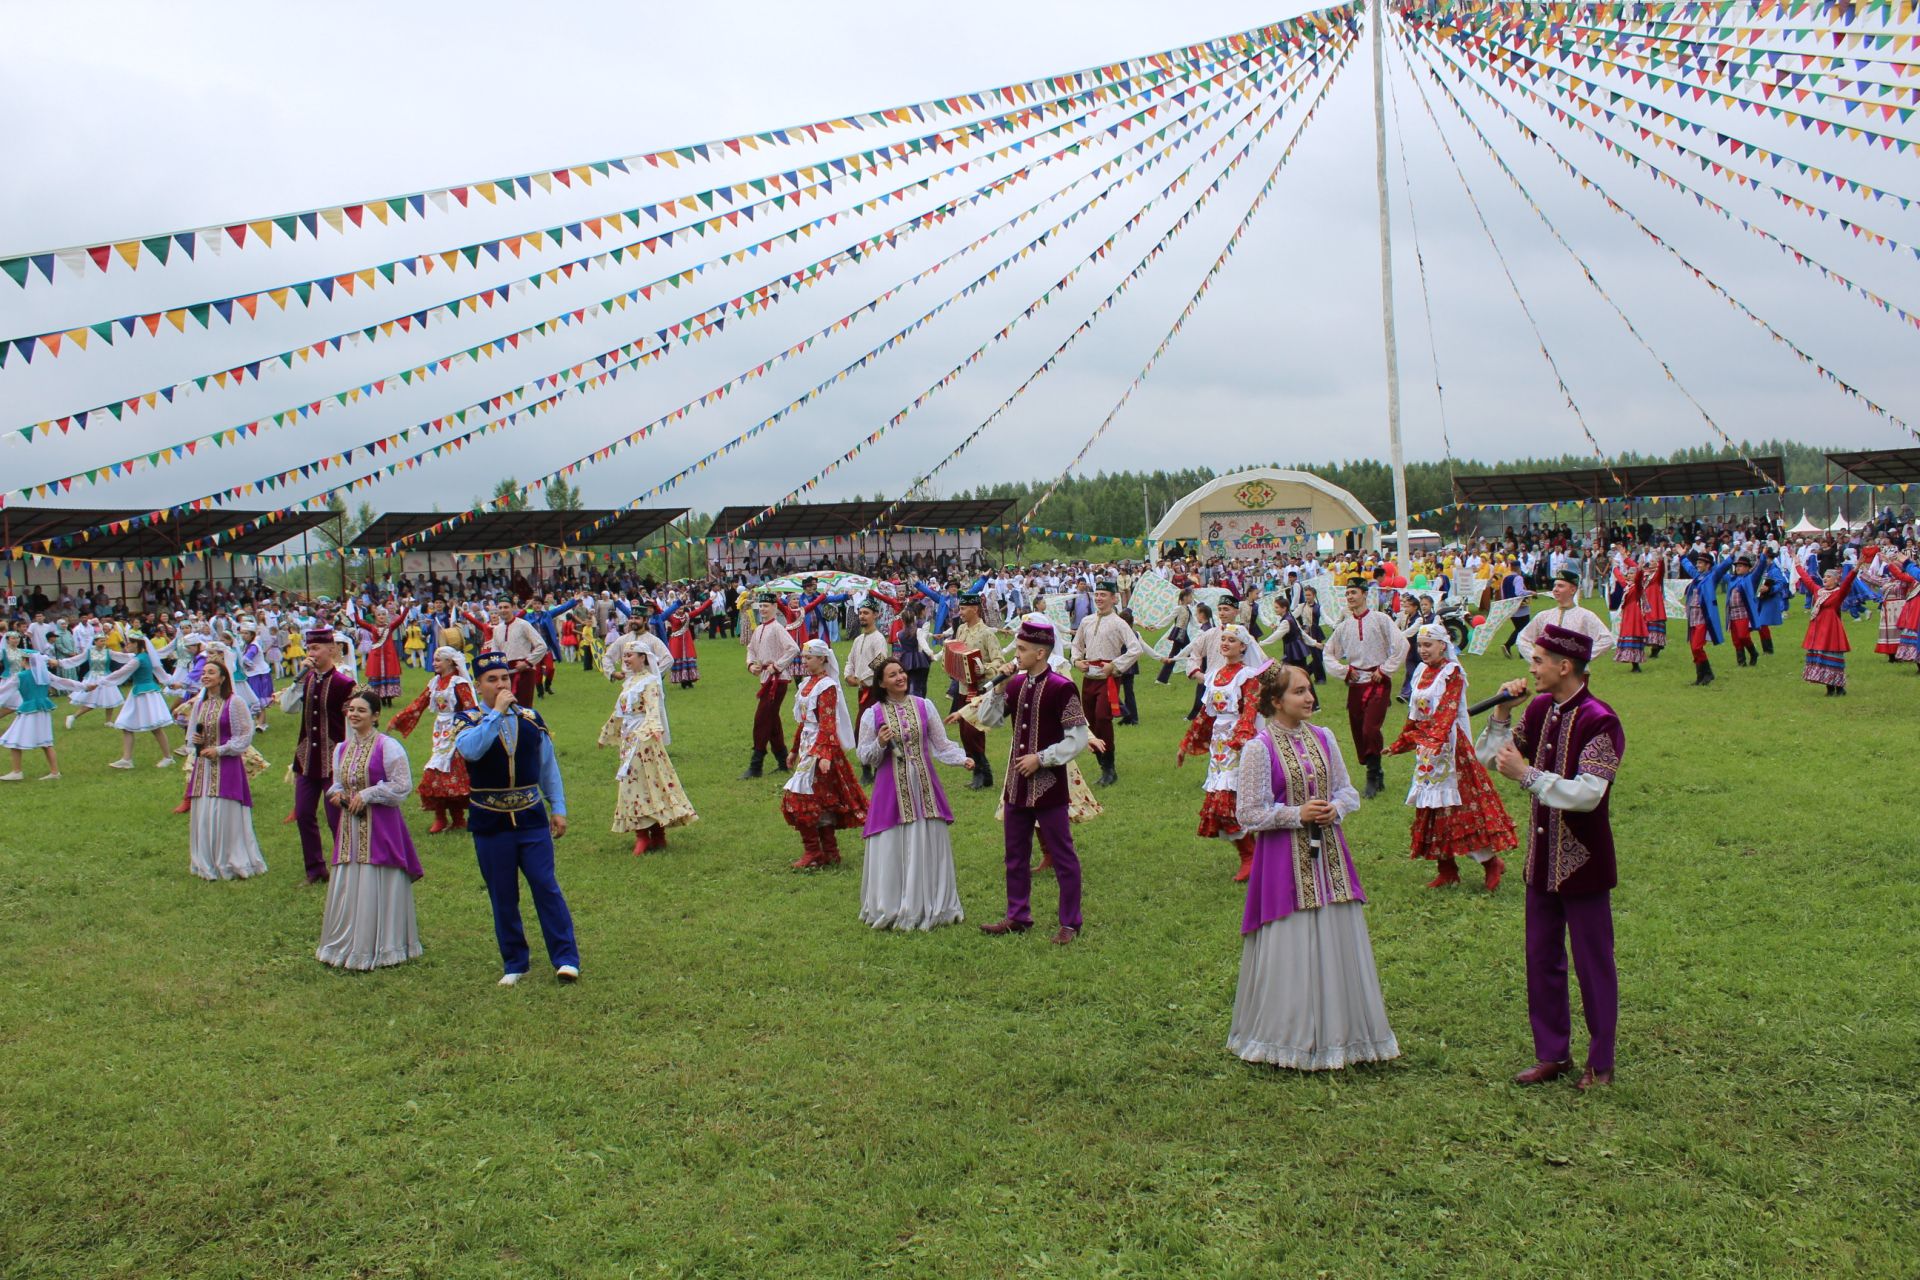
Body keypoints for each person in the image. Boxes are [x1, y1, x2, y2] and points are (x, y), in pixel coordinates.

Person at [1228, 662, 1399, 1071]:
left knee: (1336, 938)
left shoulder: (1324, 736)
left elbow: (1347, 790)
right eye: (1299, 692)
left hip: (1331, 859)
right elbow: (1248, 813)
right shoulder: (1258, 748)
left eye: (1309, 690)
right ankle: (1286, 1037)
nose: (1309, 698)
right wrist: (1296, 814)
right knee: (1292, 942)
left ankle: (1343, 1036)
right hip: (1282, 862)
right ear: (1275, 701)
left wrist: (1334, 808)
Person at [1475, 624, 1624, 1090]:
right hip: (1541, 861)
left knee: (1592, 963)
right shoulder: (1540, 708)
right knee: (1541, 959)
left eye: (1538, 660)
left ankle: (1600, 1064)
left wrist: (1528, 776)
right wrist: (1502, 710)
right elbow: (1488, 757)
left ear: (1565, 666)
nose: (1531, 669)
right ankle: (1552, 1054)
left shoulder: (1602, 720)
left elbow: (1588, 795)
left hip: (1584, 862)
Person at [955, 613, 1089, 946]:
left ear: (1040, 652)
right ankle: (1018, 915)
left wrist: (1042, 758)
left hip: (1050, 786)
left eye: (1022, 648)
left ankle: (1070, 921)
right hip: (1016, 785)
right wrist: (998, 687)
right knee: (1014, 854)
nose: (1016, 654)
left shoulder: (1062, 686)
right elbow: (990, 719)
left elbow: (1078, 738)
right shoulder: (1016, 683)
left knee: (1062, 855)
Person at [454, 651, 581, 986]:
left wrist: (559, 807)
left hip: (530, 817)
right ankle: (515, 962)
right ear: (478, 685)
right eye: (492, 680)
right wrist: (494, 715)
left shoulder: (530, 718)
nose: (500, 685)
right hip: (490, 821)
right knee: (503, 893)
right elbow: (471, 751)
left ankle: (566, 958)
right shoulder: (467, 720)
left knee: (545, 885)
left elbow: (547, 767)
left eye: (505, 679)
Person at [1384, 624, 1516, 890]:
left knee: (1461, 809)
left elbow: (1447, 711)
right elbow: (1415, 714)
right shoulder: (1420, 671)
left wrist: (1432, 740)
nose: (1423, 651)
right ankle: (1447, 869)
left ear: (1443, 645)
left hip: (1451, 750)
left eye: (1428, 645)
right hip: (1428, 751)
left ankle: (1491, 863)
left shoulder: (1452, 672)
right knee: (1432, 810)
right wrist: (1401, 743)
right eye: (1420, 646)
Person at [856, 655, 972, 930]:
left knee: (928, 839)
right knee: (891, 845)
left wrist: (961, 758)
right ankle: (893, 905)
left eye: (902, 672)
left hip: (924, 787)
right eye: (893, 675)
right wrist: (880, 744)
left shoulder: (924, 706)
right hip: (890, 790)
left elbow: (940, 744)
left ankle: (933, 903)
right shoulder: (872, 714)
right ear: (882, 684)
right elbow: (865, 755)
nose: (900, 677)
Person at [316, 688, 425, 970]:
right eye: (351, 709)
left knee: (378, 878)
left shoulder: (388, 747)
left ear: (375, 716)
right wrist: (336, 795)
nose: (354, 715)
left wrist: (368, 794)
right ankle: (349, 941)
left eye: (361, 710)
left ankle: (383, 945)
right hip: (350, 828)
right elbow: (337, 783)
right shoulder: (342, 748)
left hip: (381, 827)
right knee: (350, 879)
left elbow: (402, 786)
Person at [1175, 623, 1267, 882]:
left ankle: (1253, 855)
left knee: (1232, 802)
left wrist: (1242, 738)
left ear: (1243, 647)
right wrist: (1187, 743)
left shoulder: (1248, 676)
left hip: (1240, 744)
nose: (1225, 643)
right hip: (1220, 747)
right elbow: (1205, 715)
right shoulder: (1214, 675)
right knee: (1222, 804)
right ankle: (1250, 854)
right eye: (1223, 639)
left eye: (1231, 640)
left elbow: (1251, 710)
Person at [597, 644, 697, 855]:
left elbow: (653, 708)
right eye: (624, 656)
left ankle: (657, 834)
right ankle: (643, 834)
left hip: (645, 740)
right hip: (628, 739)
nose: (625, 659)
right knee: (634, 784)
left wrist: (652, 728)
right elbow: (619, 713)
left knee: (649, 783)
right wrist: (606, 734)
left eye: (630, 655)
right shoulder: (629, 682)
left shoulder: (650, 682)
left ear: (643, 657)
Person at [174, 654, 267, 880]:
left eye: (211, 673)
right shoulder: (201, 702)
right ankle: (206, 861)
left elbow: (245, 735)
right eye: (204, 673)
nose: (205, 676)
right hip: (204, 767)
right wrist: (195, 741)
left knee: (223, 811)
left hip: (227, 766)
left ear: (223, 678)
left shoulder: (234, 702)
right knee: (204, 811)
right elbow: (192, 733)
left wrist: (221, 750)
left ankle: (229, 860)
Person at [279, 628, 358, 884]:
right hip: (306, 758)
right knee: (303, 814)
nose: (311, 653)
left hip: (334, 760)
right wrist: (298, 680)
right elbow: (287, 708)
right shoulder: (307, 680)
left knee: (335, 817)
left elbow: (357, 721)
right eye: (309, 649)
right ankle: (315, 869)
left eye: (316, 648)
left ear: (331, 650)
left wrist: (352, 756)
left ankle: (346, 866)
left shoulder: (345, 683)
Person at [782, 639, 868, 870]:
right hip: (809, 747)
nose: (805, 661)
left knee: (799, 797)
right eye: (804, 657)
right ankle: (828, 851)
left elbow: (828, 722)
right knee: (820, 797)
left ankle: (816, 851)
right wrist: (793, 750)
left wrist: (825, 755)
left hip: (821, 749)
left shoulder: (827, 686)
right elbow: (804, 722)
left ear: (822, 659)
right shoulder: (806, 685)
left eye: (809, 657)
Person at [1322, 577, 1409, 800]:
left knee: (1371, 728)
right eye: (1348, 593)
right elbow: (1328, 653)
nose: (1350, 597)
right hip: (1356, 683)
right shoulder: (1343, 626)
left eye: (1354, 592)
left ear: (1364, 594)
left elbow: (1402, 645)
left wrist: (1386, 669)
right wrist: (1343, 671)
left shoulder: (1381, 620)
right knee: (1359, 730)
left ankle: (1372, 774)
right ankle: (1376, 769)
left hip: (1377, 682)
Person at [386, 647, 480, 835]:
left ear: (450, 662)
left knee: (450, 773)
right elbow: (419, 703)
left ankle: (457, 818)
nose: (434, 663)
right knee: (436, 771)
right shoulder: (435, 682)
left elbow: (472, 709)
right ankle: (441, 817)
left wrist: (467, 729)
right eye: (434, 660)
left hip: (456, 731)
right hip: (440, 732)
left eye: (438, 660)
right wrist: (398, 719)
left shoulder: (458, 683)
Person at [1070, 580, 1143, 787]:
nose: (1100, 598)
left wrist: (1116, 665)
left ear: (1114, 598)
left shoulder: (1119, 623)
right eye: (1098, 594)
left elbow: (1135, 649)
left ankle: (1109, 767)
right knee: (1090, 722)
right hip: (1089, 677)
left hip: (1108, 678)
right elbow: (1076, 646)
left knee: (1103, 717)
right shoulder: (1086, 621)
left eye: (1104, 595)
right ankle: (1102, 763)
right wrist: (1076, 661)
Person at [1792, 547, 1876, 696]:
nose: (1825, 579)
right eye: (1824, 577)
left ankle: (1839, 687)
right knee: (1821, 657)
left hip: (1831, 628)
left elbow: (1848, 582)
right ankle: (1829, 687)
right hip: (1818, 628)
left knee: (1832, 656)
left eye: (1828, 577)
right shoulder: (1819, 591)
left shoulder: (1838, 593)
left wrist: (1856, 568)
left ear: (1836, 579)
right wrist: (1797, 564)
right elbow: (1806, 579)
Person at [943, 591, 1005, 793]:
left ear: (975, 609)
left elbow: (999, 662)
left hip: (979, 690)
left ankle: (982, 770)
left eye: (963, 608)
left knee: (974, 731)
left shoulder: (987, 633)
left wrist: (984, 669)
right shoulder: (960, 629)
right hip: (962, 687)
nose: (959, 612)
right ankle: (981, 772)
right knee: (963, 731)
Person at [0, 650, 87, 781]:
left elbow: (3, 691)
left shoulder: (20, 676)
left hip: (29, 711)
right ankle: (54, 771)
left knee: (14, 739)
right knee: (46, 741)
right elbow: (64, 682)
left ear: (24, 661)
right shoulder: (44, 675)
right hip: (43, 711)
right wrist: (84, 686)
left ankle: (17, 771)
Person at [740, 592, 798, 779]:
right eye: (761, 606)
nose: (763, 609)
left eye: (767, 606)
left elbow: (793, 648)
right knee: (772, 721)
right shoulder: (759, 629)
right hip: (766, 678)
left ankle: (756, 763)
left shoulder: (777, 628)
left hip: (777, 681)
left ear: (774, 607)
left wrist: (777, 666)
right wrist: (751, 665)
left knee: (761, 719)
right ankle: (783, 761)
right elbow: (750, 649)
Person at [1515, 571, 1615, 663]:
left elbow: (1607, 639)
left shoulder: (1585, 616)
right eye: (1554, 586)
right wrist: (1537, 660)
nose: (1555, 589)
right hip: (1548, 675)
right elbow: (1522, 638)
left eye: (1560, 586)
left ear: (1572, 590)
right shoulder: (1544, 616)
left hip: (1575, 676)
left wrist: (1580, 657)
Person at [841, 601, 891, 784]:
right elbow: (850, 660)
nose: (862, 616)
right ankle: (867, 769)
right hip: (862, 690)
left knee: (870, 728)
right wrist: (848, 676)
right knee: (863, 729)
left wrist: (862, 678)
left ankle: (875, 768)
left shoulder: (878, 639)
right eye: (860, 613)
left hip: (874, 691)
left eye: (866, 613)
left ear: (875, 615)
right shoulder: (858, 640)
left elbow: (880, 661)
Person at [1675, 550, 1732, 686]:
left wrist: (1732, 555)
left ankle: (1708, 673)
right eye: (1698, 562)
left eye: (1701, 563)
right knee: (1693, 648)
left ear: (1708, 565)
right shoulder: (1697, 577)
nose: (1698, 565)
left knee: (1697, 647)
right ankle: (1701, 676)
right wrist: (1683, 556)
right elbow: (1689, 567)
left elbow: (1722, 568)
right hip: (1693, 616)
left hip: (1703, 617)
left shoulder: (1711, 578)